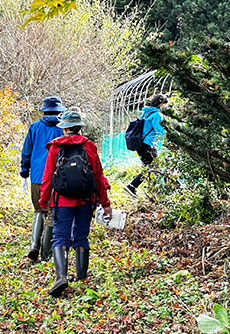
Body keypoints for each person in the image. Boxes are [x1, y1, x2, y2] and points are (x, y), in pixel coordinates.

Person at [39, 110, 111, 298]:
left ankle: (61, 277)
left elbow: (47, 177)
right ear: (79, 127)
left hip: (61, 201)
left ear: (64, 128)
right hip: (85, 200)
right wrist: (105, 203)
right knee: (81, 237)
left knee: (60, 238)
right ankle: (82, 278)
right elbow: (98, 176)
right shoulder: (89, 146)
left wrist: (43, 200)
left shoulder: (55, 147)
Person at [19, 96, 66, 262]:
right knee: (53, 213)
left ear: (44, 110)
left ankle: (34, 246)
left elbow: (26, 152)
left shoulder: (35, 127)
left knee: (38, 210)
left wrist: (24, 173)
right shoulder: (63, 128)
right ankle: (46, 254)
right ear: (59, 110)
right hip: (58, 177)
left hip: (38, 176)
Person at [125, 93, 169, 197]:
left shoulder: (145, 113)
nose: (166, 107)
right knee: (152, 167)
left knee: (151, 168)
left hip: (140, 144)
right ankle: (132, 186)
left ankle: (154, 191)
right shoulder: (157, 115)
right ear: (161, 104)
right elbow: (160, 130)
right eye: (166, 104)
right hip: (148, 145)